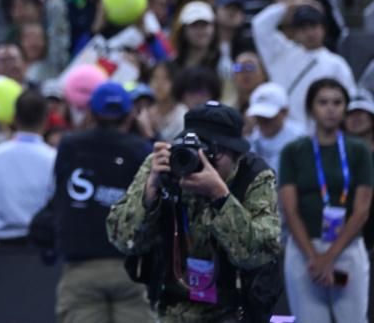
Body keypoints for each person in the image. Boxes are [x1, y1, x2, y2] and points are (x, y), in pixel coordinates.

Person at [107, 102, 282, 323]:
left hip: (232, 310)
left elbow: (256, 253)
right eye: (196, 150)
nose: (201, 161)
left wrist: (220, 196)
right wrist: (149, 193)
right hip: (168, 307)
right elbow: (123, 240)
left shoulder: (253, 176)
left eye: (212, 153)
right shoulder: (165, 165)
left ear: (236, 154)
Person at [50, 82, 153, 323]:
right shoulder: (142, 149)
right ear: (130, 116)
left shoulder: (70, 145)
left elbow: (56, 194)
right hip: (130, 268)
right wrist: (149, 136)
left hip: (80, 267)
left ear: (90, 113)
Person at [279, 78, 373, 322]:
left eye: (337, 102)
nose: (330, 109)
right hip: (303, 249)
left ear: (345, 108)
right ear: (311, 108)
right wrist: (314, 257)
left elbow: (362, 210)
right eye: (323, 102)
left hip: (347, 248)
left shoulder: (359, 151)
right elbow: (290, 209)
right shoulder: (293, 151)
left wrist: (328, 257)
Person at [252, 2, 356, 126]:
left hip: (318, 132)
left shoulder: (336, 64)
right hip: (282, 129)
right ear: (295, 32)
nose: (310, 33)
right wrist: (289, 6)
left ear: (323, 29)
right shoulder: (281, 53)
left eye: (314, 26)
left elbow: (350, 98)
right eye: (303, 28)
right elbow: (259, 25)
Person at [0, 89, 55, 245]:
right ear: (46, 120)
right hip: (41, 245)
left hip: (4, 243)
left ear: (14, 118)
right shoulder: (53, 158)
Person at [245, 82, 305, 178]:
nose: (263, 121)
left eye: (269, 117)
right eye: (259, 116)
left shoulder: (300, 138)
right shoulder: (249, 140)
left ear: (285, 112)